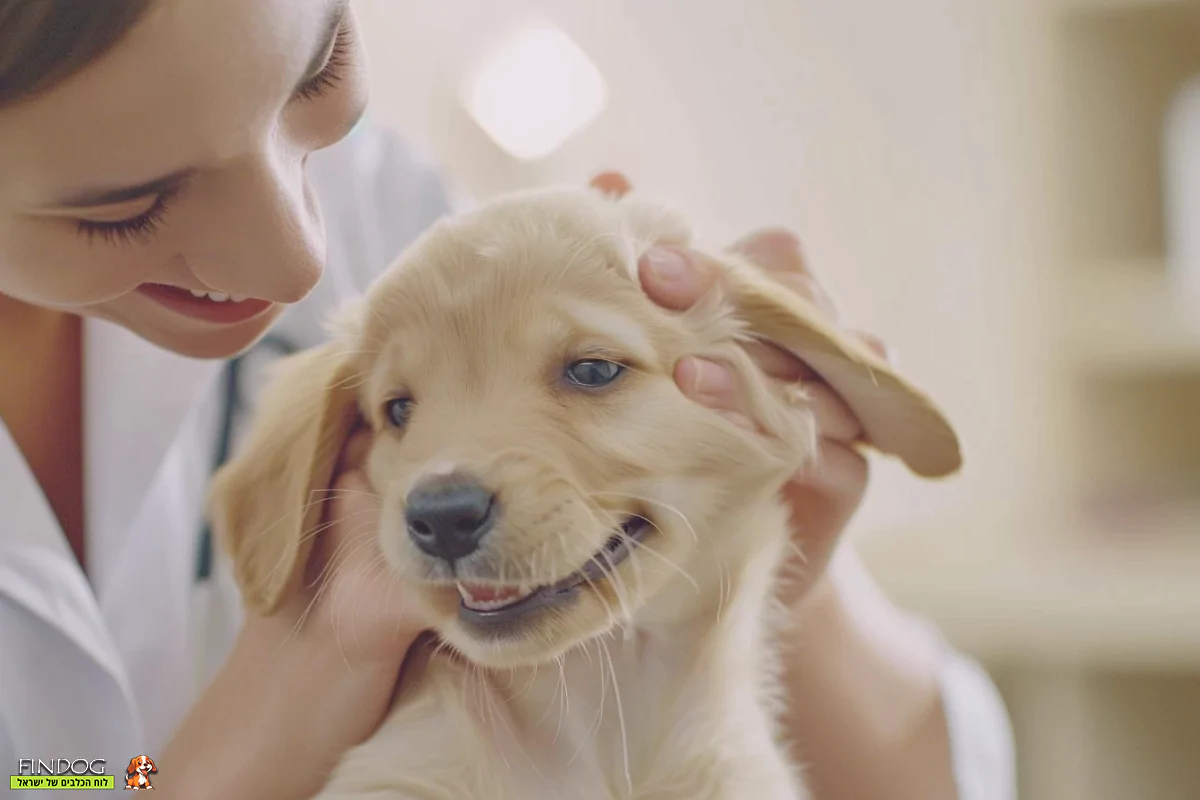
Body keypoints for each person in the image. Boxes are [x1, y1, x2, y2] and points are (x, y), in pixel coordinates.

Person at [0, 1, 1014, 798]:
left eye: (318, 73)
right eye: (124, 208)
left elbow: (941, 780)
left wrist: (773, 560)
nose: (297, 259)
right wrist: (210, 766)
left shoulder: (404, 220)